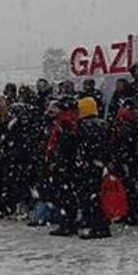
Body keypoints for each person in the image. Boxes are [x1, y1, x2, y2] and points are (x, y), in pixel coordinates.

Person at [74, 97, 111, 239]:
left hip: (89, 165)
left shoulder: (84, 125)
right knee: (95, 196)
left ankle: (96, 226)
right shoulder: (103, 124)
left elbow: (84, 147)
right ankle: (99, 225)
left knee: (89, 196)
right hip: (98, 164)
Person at [48, 97, 81, 237]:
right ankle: (69, 222)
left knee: (65, 195)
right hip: (70, 163)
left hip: (65, 164)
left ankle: (67, 224)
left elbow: (65, 145)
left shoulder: (65, 123)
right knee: (69, 195)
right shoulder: (73, 121)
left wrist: (58, 159)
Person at [108, 100, 138, 226]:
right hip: (127, 160)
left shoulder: (125, 127)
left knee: (128, 189)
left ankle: (131, 214)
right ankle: (129, 213)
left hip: (125, 161)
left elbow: (125, 144)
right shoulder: (131, 125)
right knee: (127, 188)